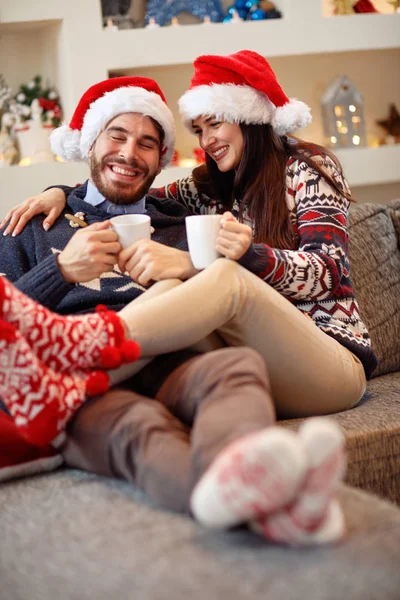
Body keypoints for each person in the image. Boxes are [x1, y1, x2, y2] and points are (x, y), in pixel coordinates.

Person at [0, 73, 349, 547]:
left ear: (161, 159)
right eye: (116, 135)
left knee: (237, 365)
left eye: (147, 143)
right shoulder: (34, 225)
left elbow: (239, 294)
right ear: (90, 142)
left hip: (174, 362)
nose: (129, 154)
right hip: (91, 391)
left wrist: (187, 266)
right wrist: (59, 270)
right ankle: (268, 508)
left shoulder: (187, 222)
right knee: (137, 426)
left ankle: (254, 498)